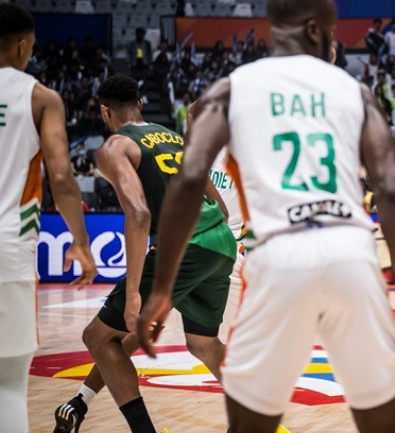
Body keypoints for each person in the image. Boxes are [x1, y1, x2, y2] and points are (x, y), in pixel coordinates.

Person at [136, 1, 395, 432]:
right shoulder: (356, 94)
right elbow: (391, 194)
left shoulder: (227, 91)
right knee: (382, 423)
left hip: (277, 257)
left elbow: (187, 183)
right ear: (316, 29)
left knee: (250, 424)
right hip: (350, 256)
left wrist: (163, 288)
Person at [53, 75, 237, 433]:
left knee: (98, 337)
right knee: (203, 343)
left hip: (184, 245)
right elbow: (216, 200)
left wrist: (134, 291)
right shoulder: (173, 137)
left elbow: (138, 214)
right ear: (140, 104)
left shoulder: (114, 148)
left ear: (105, 112)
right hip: (221, 241)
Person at [0, 5, 97, 433]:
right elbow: (61, 175)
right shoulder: (39, 97)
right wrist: (80, 240)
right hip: (8, 249)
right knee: (8, 386)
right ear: (22, 45)